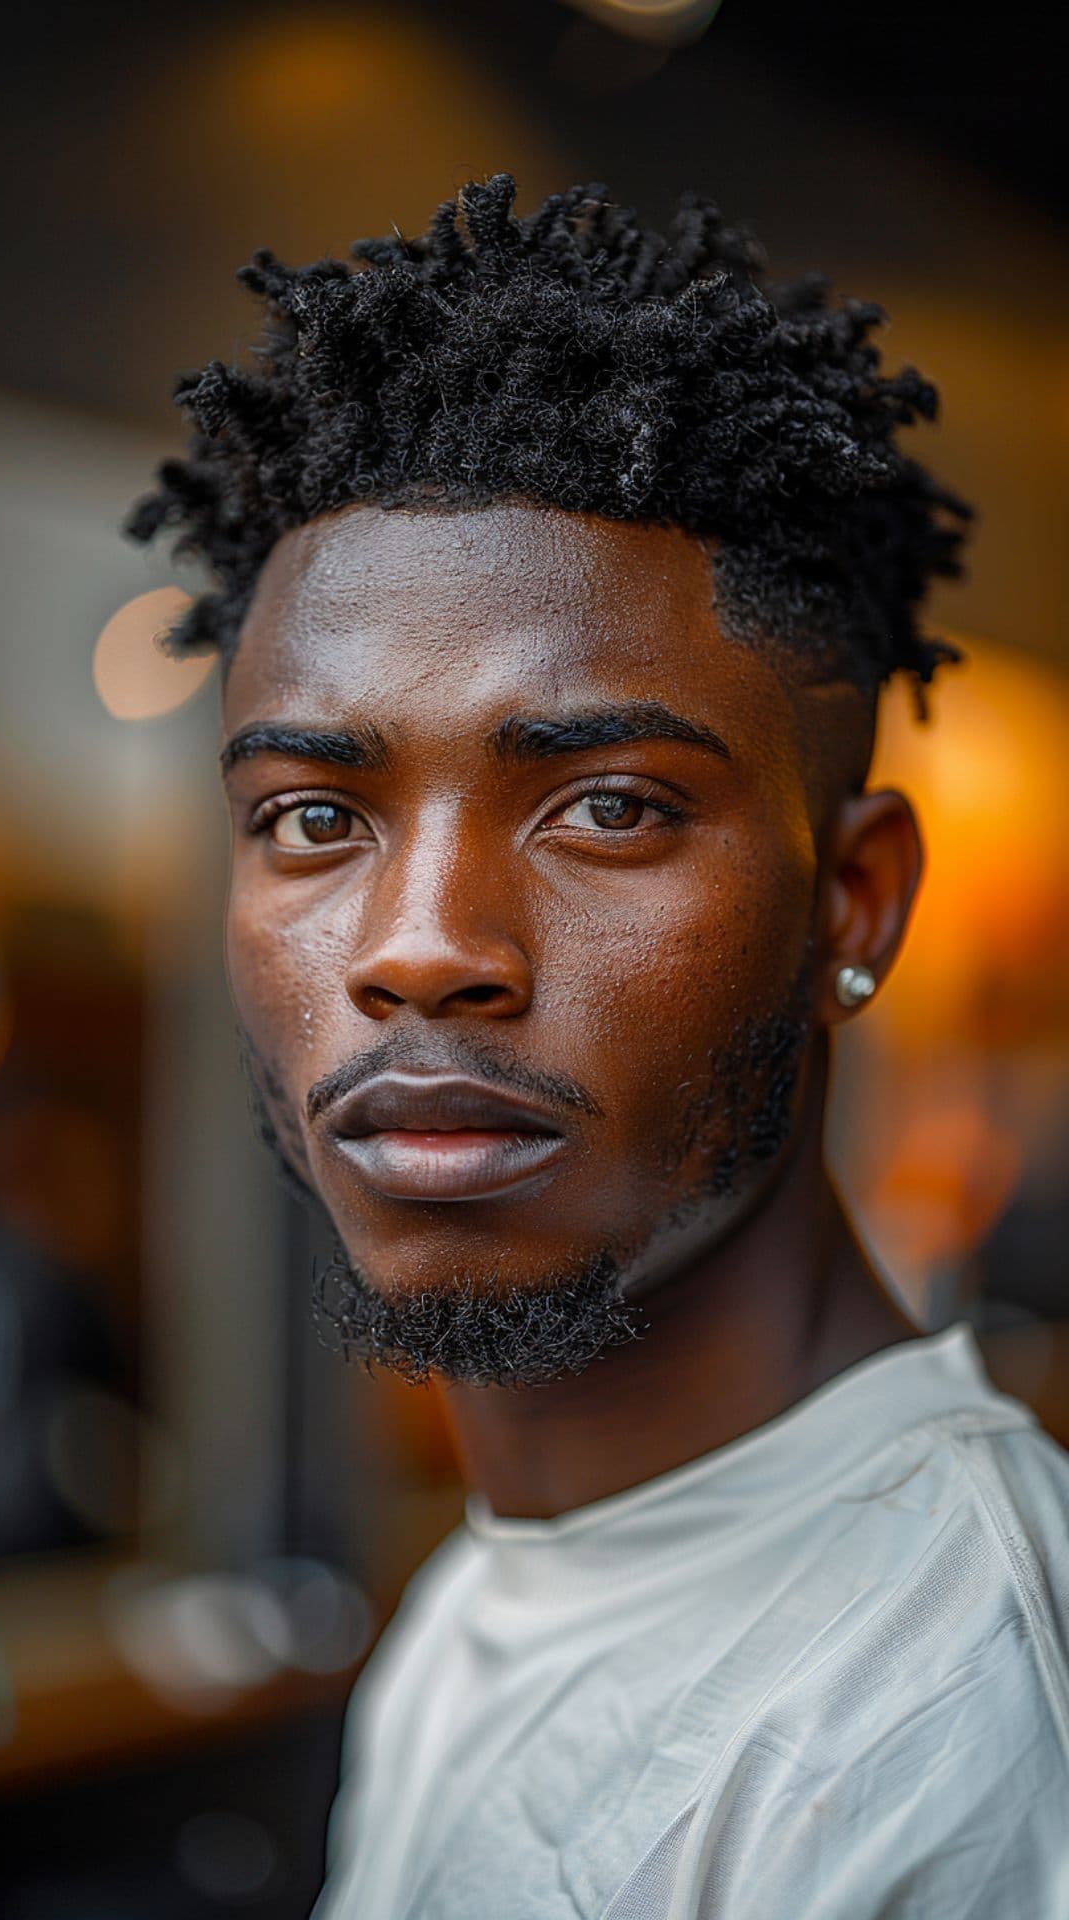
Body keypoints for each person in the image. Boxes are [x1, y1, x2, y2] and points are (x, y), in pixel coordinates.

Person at [130, 176, 1069, 1919]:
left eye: (610, 807)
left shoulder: (940, 1723)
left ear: (851, 904)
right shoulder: (493, 1598)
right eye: (316, 818)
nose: (418, 948)